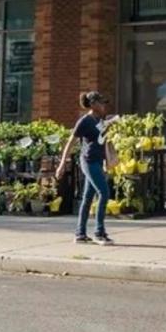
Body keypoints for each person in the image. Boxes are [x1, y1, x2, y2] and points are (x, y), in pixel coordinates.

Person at [55, 91, 114, 245]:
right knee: (104, 193)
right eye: (101, 103)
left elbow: (102, 142)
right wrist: (62, 164)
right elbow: (71, 142)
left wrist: (107, 160)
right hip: (88, 161)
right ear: (93, 104)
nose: (104, 106)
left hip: (97, 161)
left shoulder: (100, 120)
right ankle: (99, 233)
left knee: (87, 198)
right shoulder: (84, 121)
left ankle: (80, 234)